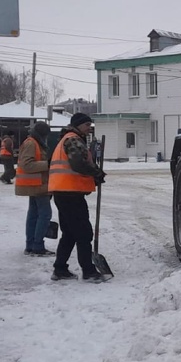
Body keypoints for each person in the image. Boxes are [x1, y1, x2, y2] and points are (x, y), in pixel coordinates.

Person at [48, 113, 109, 283]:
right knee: (83, 233)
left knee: (69, 233)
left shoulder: (67, 138)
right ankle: (88, 271)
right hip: (70, 193)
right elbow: (78, 163)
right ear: (78, 125)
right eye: (87, 124)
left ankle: (60, 269)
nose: (90, 127)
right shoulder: (73, 140)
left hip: (64, 192)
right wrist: (97, 173)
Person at [16, 121, 54, 257]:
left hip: (36, 184)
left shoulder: (35, 143)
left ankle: (31, 245)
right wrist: (48, 164)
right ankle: (37, 245)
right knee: (44, 214)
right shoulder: (32, 143)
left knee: (34, 214)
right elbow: (27, 165)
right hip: (37, 185)